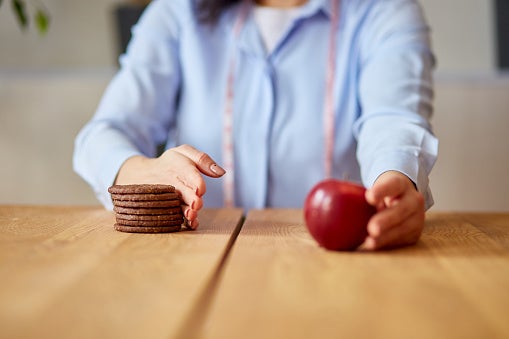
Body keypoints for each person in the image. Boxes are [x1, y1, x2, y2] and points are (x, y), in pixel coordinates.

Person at [74, 0, 438, 250]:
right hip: (192, 266)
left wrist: (397, 179)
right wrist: (142, 170)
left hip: (332, 271)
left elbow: (392, 118)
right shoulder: (178, 11)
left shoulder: (386, 11)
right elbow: (104, 134)